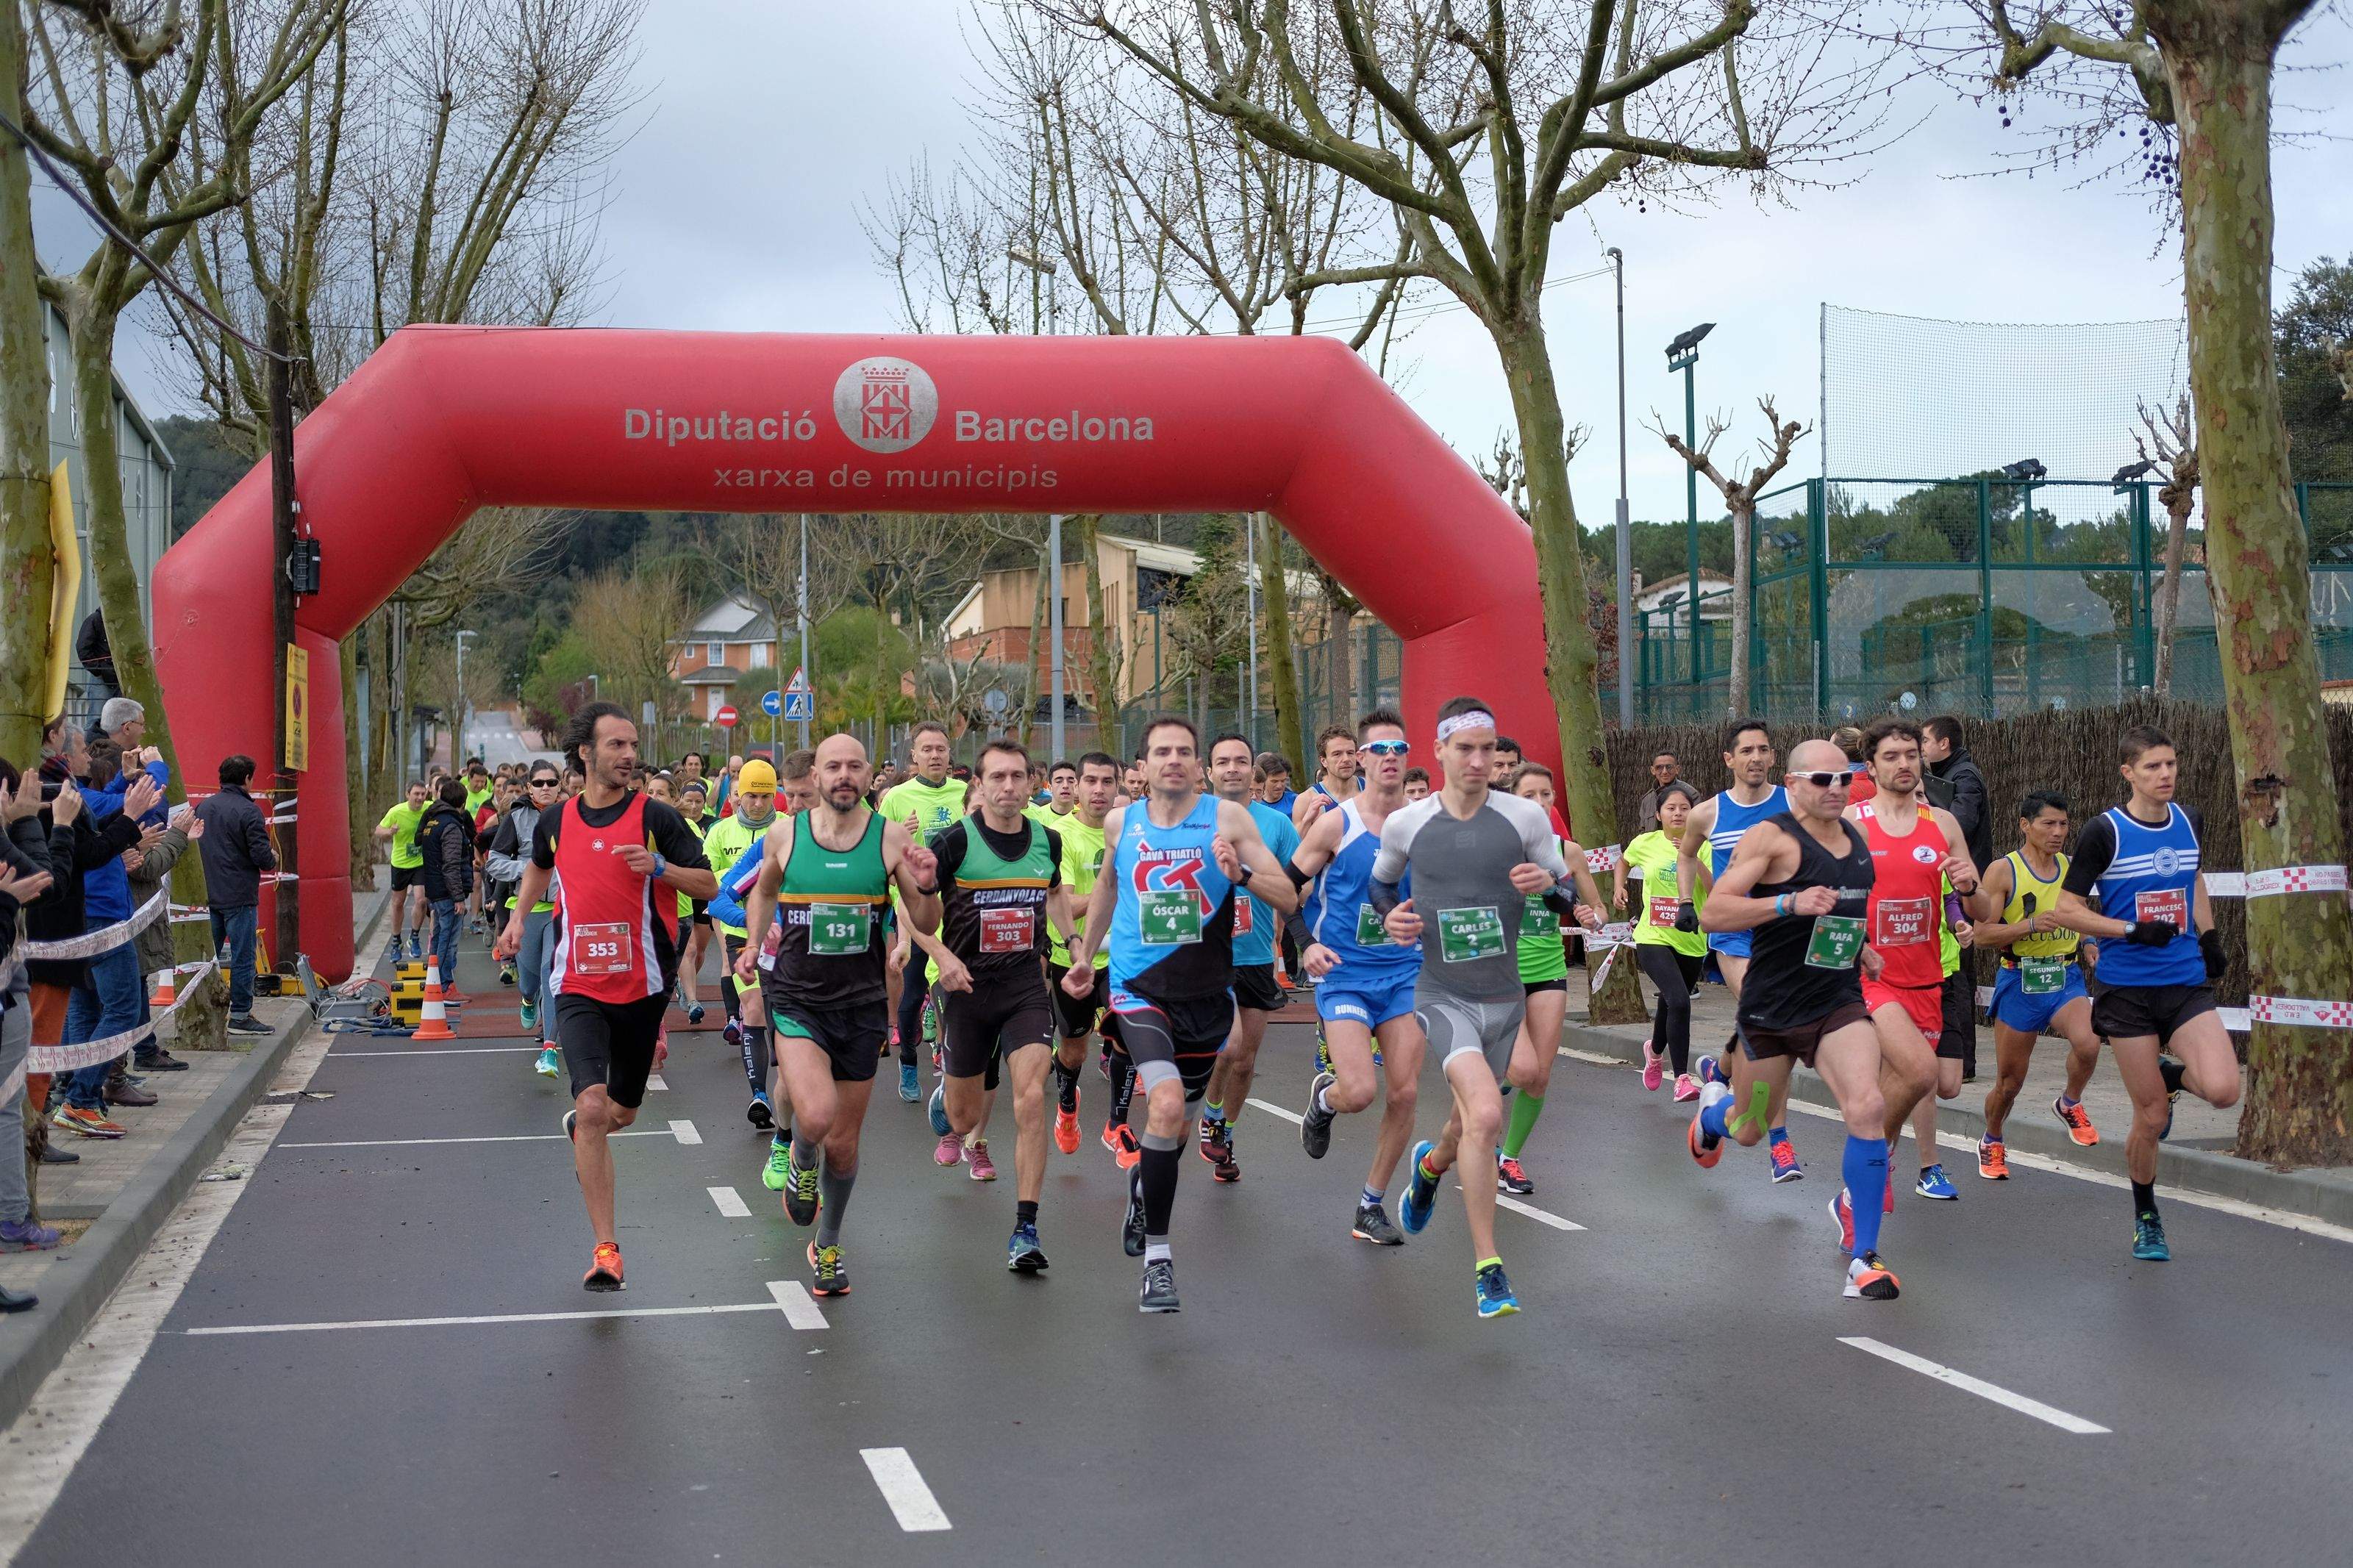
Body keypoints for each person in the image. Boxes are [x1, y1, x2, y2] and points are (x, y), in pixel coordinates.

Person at [1060, 715, 1296, 1314]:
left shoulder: (1228, 819)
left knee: (1178, 1125)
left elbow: (1288, 895)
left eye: (1184, 752)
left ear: (1198, 766)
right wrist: (1086, 951)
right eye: (1161, 751)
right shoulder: (1123, 820)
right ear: (1141, 766)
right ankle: (1159, 1261)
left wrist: (1239, 873)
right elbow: (1110, 885)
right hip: (1139, 988)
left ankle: (1145, 1186)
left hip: (1208, 996)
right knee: (1162, 1105)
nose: (1173, 760)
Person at [1370, 698, 1585, 1319]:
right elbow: (1383, 883)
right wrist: (1394, 916)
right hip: (1441, 995)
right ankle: (1489, 1267)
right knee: (1487, 1113)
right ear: (1438, 751)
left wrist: (1551, 888)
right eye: (1465, 748)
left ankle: (1431, 1166)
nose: (1479, 759)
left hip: (1505, 995)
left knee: (1468, 1121)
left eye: (1488, 748)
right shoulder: (1408, 824)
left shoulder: (1524, 816)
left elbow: (1562, 890)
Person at [495, 702, 715, 1292]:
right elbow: (539, 869)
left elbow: (709, 883)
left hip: (642, 986)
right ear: (586, 754)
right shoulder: (557, 819)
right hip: (577, 984)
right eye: (616, 745)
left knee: (622, 1111)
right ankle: (606, 1247)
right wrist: (518, 921)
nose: (629, 755)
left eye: (633, 745)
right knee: (592, 1108)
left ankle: (592, 1124)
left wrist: (661, 866)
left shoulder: (658, 818)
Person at [1690, 739, 1918, 1301]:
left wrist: (1861, 946)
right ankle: (1711, 1119)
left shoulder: (1856, 844)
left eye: (1844, 778)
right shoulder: (1771, 837)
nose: (1835, 789)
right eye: (1821, 779)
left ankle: (1864, 1256)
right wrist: (1786, 904)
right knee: (1749, 1129)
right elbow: (1714, 911)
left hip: (1834, 1003)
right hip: (1770, 1013)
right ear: (1792, 784)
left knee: (1866, 1105)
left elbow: (1844, 912)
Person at [736, 734, 940, 1297]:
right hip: (800, 1000)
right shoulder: (787, 832)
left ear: (869, 773)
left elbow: (925, 917)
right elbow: (763, 891)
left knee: (846, 1146)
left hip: (862, 1005)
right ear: (818, 777)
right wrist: (755, 941)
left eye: (854, 765)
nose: (844, 774)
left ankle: (827, 1244)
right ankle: (801, 1154)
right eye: (834, 766)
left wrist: (926, 883)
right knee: (818, 1116)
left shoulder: (889, 839)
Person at [2053, 725, 2239, 1262]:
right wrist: (2130, 930)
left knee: (2226, 1089)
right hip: (2129, 988)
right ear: (2128, 772)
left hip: (2183, 981)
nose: (2166, 775)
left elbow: (2193, 878)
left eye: (2171, 765)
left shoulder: (2189, 820)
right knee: (2152, 1117)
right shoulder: (2103, 832)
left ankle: (2173, 1072)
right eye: (2153, 766)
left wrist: (2209, 937)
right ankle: (2146, 1214)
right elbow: (2067, 909)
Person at [908, 740, 1079, 1270]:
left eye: (1018, 777)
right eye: (997, 777)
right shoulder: (953, 842)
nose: (1008, 787)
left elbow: (1054, 894)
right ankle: (948, 1098)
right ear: (978, 785)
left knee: (1030, 1097)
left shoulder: (1047, 841)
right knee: (961, 1120)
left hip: (1026, 985)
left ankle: (1025, 1227)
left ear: (1033, 783)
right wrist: (940, 952)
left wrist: (1073, 946)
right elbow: (917, 914)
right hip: (966, 989)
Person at [1289, 710, 1424, 1247]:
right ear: (1362, 759)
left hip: (1403, 973)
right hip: (1343, 975)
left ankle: (1370, 1204)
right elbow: (1283, 888)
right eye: (1379, 748)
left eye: (1400, 747)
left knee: (1406, 1091)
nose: (1390, 756)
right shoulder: (1335, 825)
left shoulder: (1423, 825)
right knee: (1361, 1090)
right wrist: (1307, 944)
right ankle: (1325, 1099)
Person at [1843, 721, 1990, 1203]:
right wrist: (1854, 945)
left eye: (1911, 754)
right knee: (1923, 1072)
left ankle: (1867, 1167)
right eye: (1891, 755)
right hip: (1873, 979)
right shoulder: (1854, 823)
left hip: (1929, 979)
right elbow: (1822, 898)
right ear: (1871, 766)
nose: (1904, 763)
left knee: (1904, 1084)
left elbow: (1982, 909)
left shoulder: (1943, 824)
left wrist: (1970, 887)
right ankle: (1879, 1160)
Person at [1677, 720, 1803, 1180]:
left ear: (1773, 757)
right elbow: (1687, 853)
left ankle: (1720, 1067)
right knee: (1775, 1023)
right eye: (1746, 750)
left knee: (1764, 1022)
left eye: (1764, 750)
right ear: (1728, 759)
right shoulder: (1707, 813)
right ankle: (1781, 1142)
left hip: (1786, 932)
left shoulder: (1793, 805)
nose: (1756, 757)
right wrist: (1685, 902)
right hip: (1735, 934)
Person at [1973, 791, 2105, 1178]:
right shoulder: (2003, 870)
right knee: (2010, 1082)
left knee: (2089, 1042)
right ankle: (1993, 1139)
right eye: (2048, 823)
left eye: (2063, 824)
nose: (2058, 832)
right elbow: (1982, 935)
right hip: (2020, 978)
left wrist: (2091, 941)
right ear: (2025, 825)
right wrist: (2030, 925)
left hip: (2065, 975)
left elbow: (2079, 915)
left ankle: (2069, 1102)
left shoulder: (2069, 866)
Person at [1490, 762, 1606, 1195]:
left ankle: (1510, 1159)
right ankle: (1484, 1084)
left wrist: (1592, 916)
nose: (1539, 804)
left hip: (1549, 969)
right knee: (1521, 1070)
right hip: (1500, 971)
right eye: (1529, 796)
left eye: (1546, 795)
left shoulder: (1567, 851)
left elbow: (1597, 912)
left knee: (1540, 1075)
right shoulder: (1494, 848)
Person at [1197, 734, 1302, 1184]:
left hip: (1256, 953)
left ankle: (1225, 1131)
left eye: (1241, 761)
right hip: (1205, 956)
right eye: (1224, 762)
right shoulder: (1191, 820)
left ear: (1252, 773)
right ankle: (1210, 1112)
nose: (1233, 769)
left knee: (1245, 1060)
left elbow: (1298, 885)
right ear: (1209, 770)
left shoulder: (1275, 826)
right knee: (1230, 1045)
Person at [880, 721, 965, 1103]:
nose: (935, 756)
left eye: (941, 749)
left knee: (961, 992)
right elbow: (879, 855)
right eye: (927, 750)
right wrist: (899, 832)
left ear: (950, 754)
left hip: (961, 906)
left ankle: (956, 1070)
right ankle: (909, 1063)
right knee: (913, 994)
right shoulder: (897, 796)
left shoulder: (965, 792)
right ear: (913, 756)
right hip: (915, 907)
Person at [702, 757, 783, 1125]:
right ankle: (760, 1096)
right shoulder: (720, 832)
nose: (758, 804)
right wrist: (753, 923)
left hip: (788, 939)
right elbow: (713, 892)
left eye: (766, 797)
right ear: (737, 797)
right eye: (751, 796)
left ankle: (791, 1091)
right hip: (740, 936)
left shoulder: (785, 832)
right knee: (752, 1007)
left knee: (782, 1017)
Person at [1046, 753, 1118, 1160]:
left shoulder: (1130, 832)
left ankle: (1117, 1122)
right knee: (1075, 1047)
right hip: (1074, 957)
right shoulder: (1061, 835)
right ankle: (1067, 1106)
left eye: (1107, 782)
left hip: (1123, 957)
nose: (1098, 790)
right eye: (1090, 781)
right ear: (1077, 787)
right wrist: (1110, 888)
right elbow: (1067, 905)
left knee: (1131, 1031)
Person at [1614, 781, 1706, 1096]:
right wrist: (1619, 886)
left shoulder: (1704, 844)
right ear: (1659, 814)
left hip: (1692, 939)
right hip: (1652, 935)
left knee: (1671, 1003)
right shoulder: (1646, 842)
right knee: (1679, 1000)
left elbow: (1716, 886)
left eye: (1684, 808)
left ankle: (1654, 1053)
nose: (1678, 813)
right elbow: (1623, 860)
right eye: (1671, 808)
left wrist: (1693, 856)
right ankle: (1681, 1079)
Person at [194, 755, 278, 1033]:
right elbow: (261, 856)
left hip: (209, 893)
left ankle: (200, 1012)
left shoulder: (203, 807)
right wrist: (272, 858)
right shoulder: (249, 811)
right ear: (247, 779)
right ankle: (241, 1015)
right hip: (240, 896)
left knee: (208, 957)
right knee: (243, 958)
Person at [485, 764, 562, 1066]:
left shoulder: (572, 816)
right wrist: (530, 870)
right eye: (539, 783)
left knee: (551, 973)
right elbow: (494, 862)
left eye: (551, 782)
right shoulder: (517, 818)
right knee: (530, 978)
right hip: (527, 910)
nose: (545, 787)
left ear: (559, 786)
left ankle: (550, 1047)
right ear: (529, 788)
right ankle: (528, 999)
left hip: (561, 909)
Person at [417, 778, 476, 992]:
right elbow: (451, 864)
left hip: (434, 887)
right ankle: (444, 985)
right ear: (462, 803)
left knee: (438, 936)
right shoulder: (451, 825)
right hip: (447, 892)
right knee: (448, 941)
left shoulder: (432, 821)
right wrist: (459, 897)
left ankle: (435, 981)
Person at [376, 781, 431, 963]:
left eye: (423, 794)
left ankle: (414, 937)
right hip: (400, 863)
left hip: (420, 862)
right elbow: (378, 830)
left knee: (421, 900)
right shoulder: (397, 811)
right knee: (398, 903)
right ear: (408, 794)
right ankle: (396, 940)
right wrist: (389, 832)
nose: (420, 798)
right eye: (416, 794)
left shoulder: (429, 809)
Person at [1291, 724, 1360, 830]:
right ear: (1324, 761)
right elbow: (1295, 845)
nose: (1346, 759)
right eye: (1337, 754)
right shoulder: (1306, 800)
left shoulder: (1370, 789)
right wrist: (1307, 820)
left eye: (1350, 753)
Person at [1634, 751, 1683, 833]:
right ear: (1653, 770)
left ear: (1677, 769)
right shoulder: (1647, 799)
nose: (1664, 772)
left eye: (1669, 767)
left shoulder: (1689, 794)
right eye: (1659, 768)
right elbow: (1642, 830)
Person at [1254, 752, 1295, 818]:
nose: (1279, 786)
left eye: (1283, 781)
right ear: (1264, 779)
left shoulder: (1295, 801)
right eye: (1274, 781)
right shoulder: (1255, 804)